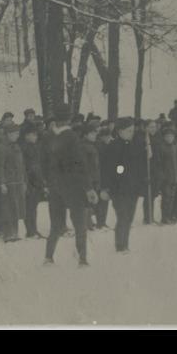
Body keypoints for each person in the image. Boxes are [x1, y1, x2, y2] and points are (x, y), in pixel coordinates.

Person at [44, 104, 97, 266]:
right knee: (80, 224)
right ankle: (82, 258)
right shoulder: (72, 137)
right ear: (69, 118)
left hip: (55, 186)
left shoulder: (48, 137)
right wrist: (88, 187)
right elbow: (80, 164)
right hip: (74, 185)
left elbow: (44, 162)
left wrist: (48, 182)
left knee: (56, 224)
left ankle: (48, 257)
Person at [100, 117, 146, 253]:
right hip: (118, 189)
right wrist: (119, 173)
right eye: (128, 131)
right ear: (120, 131)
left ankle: (125, 243)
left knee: (129, 217)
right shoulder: (113, 147)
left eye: (132, 130)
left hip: (132, 188)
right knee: (123, 216)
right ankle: (120, 245)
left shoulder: (135, 146)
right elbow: (110, 169)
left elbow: (138, 166)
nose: (131, 133)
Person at [0, 123, 27, 242]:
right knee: (7, 208)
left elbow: (22, 166)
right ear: (8, 134)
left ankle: (14, 233)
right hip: (8, 183)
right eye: (15, 133)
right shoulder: (0, 148)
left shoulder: (16, 146)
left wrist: (24, 180)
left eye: (18, 133)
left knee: (16, 208)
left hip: (17, 182)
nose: (17, 136)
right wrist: (1, 183)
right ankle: (7, 233)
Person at [154, 127, 177, 224]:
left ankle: (170, 215)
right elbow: (158, 163)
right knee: (166, 198)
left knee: (172, 197)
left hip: (175, 176)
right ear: (164, 137)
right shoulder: (161, 147)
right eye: (167, 136)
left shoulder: (175, 146)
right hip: (165, 177)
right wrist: (162, 176)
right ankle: (165, 217)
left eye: (171, 136)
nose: (169, 138)